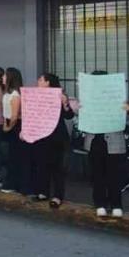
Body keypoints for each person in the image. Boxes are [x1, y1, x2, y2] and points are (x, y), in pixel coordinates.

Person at [84, 70, 126, 218]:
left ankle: (116, 204)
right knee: (97, 175)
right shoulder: (87, 98)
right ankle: (100, 203)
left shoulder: (117, 96)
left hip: (113, 142)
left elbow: (125, 122)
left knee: (114, 175)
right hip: (95, 140)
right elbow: (78, 115)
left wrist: (124, 110)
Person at [34, 73, 74, 208]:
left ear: (48, 83)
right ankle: (42, 192)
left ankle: (57, 196)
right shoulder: (35, 96)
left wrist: (65, 104)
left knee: (57, 167)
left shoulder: (59, 95)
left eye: (40, 80)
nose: (38, 82)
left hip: (57, 136)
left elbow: (69, 116)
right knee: (42, 164)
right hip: (41, 134)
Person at [0, 67, 23, 194]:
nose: (2, 78)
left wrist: (8, 127)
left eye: (4, 76)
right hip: (7, 123)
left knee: (13, 155)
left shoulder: (15, 95)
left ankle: (13, 183)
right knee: (7, 155)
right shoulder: (7, 93)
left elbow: (14, 115)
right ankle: (9, 181)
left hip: (14, 126)